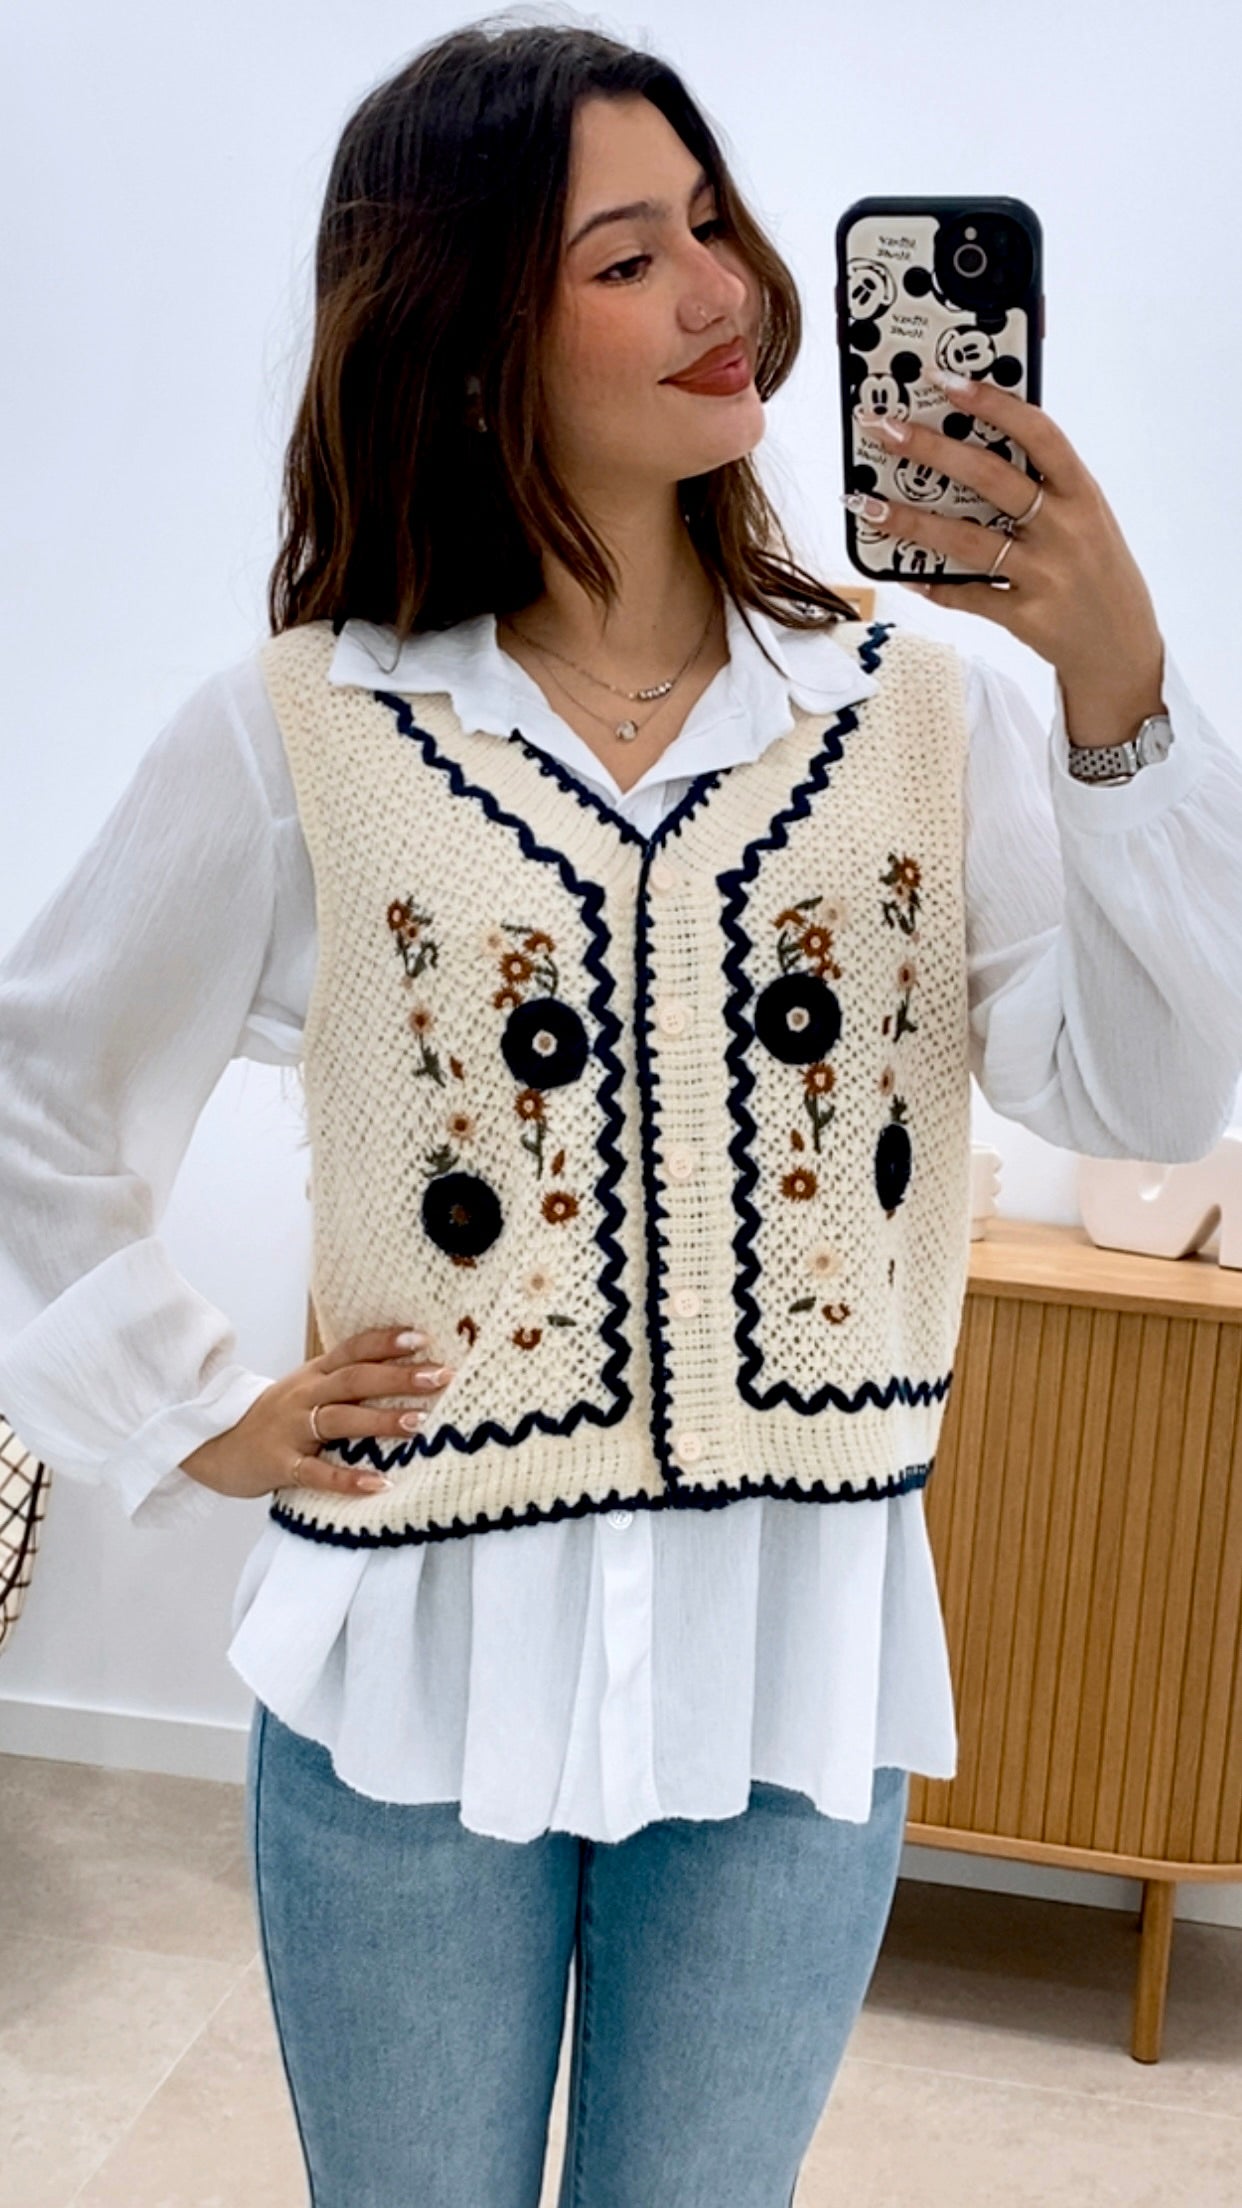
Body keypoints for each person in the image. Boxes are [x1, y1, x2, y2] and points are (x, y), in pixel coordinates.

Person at [3, 16, 1242, 2207]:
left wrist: (1117, 686)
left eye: (714, 226)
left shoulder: (917, 716)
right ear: (471, 331)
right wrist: (185, 1410)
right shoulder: (308, 726)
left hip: (790, 1675)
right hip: (413, 1678)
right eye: (626, 256)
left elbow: (1146, 1088)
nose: (721, 290)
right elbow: (36, 1095)